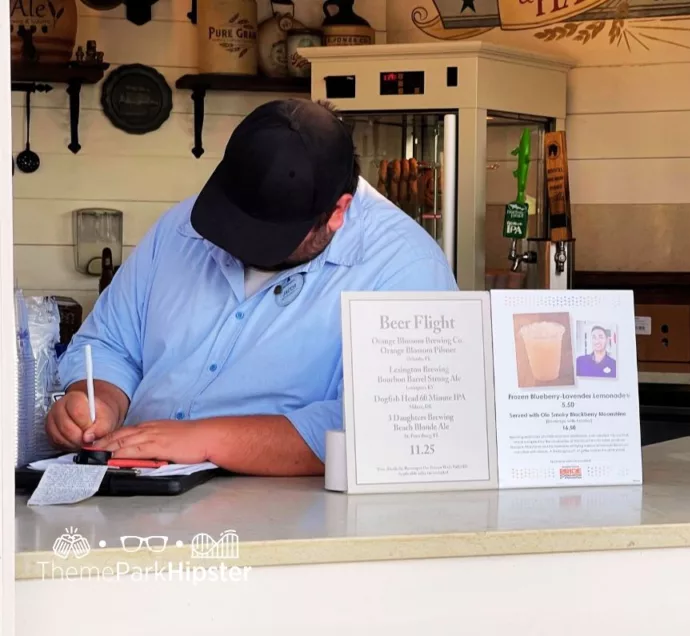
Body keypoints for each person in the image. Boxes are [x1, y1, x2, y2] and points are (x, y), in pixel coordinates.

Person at [45, 100, 457, 476]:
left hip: (282, 516)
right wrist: (97, 400)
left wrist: (208, 440)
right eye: (231, 226)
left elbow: (385, 427)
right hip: (124, 483)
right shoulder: (179, 226)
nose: (239, 246)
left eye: (265, 238)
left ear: (337, 212)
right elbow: (111, 344)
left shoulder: (406, 267)